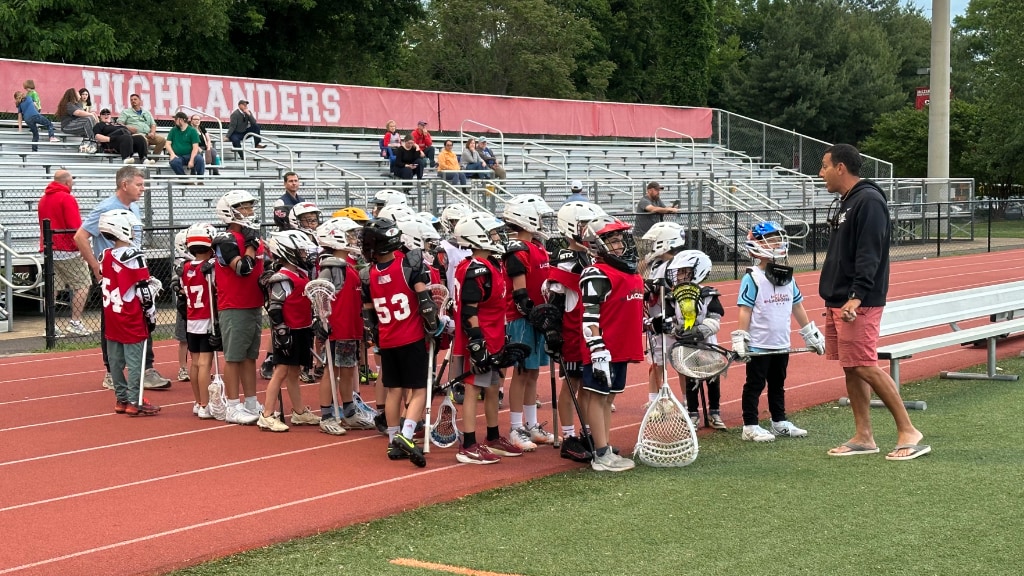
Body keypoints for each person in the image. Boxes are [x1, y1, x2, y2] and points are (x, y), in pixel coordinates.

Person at [818, 143, 930, 461]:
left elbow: (870, 253)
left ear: (841, 167)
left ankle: (909, 431)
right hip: (839, 298)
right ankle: (864, 436)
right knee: (851, 367)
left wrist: (856, 296)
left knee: (864, 365)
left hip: (858, 300)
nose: (821, 173)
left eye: (825, 166)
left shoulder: (868, 201)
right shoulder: (848, 202)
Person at [73, 166, 171, 391]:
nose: (142, 189)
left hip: (133, 270)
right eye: (139, 184)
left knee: (143, 316)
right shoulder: (106, 208)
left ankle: (146, 369)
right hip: (114, 276)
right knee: (112, 320)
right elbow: (80, 236)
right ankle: (112, 371)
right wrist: (96, 266)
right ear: (124, 185)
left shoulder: (133, 207)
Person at [731, 221, 825, 442]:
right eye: (771, 240)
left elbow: (797, 306)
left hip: (781, 342)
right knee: (755, 385)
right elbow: (745, 309)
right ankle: (750, 425)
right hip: (759, 344)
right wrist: (740, 337)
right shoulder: (752, 277)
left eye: (778, 240)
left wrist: (809, 332)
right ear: (757, 245)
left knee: (778, 384)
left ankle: (779, 421)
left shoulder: (787, 277)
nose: (777, 244)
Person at [360, 217, 436, 467]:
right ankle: (407, 434)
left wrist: (377, 337)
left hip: (387, 339)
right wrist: (435, 325)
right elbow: (425, 302)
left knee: (394, 391)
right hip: (411, 337)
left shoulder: (367, 274)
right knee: (420, 390)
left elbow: (369, 316)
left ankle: (394, 440)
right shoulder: (408, 265)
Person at [452, 212, 523, 464]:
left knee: (493, 386)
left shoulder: (491, 263)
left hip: (493, 336)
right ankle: (469, 444)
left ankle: (493, 437)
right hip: (480, 337)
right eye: (492, 233)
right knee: (473, 388)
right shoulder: (476, 268)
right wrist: (476, 342)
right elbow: (469, 311)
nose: (497, 237)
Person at [579, 217, 644, 471]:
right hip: (603, 349)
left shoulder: (628, 273)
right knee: (598, 396)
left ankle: (605, 446)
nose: (620, 245)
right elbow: (589, 317)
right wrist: (597, 350)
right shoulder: (596, 273)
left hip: (620, 347)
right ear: (597, 245)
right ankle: (600, 453)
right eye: (613, 241)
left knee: (608, 398)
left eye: (619, 240)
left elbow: (629, 310)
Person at [501, 195, 556, 451]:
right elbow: (520, 293)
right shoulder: (517, 250)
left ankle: (532, 425)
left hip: (537, 316)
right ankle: (515, 427)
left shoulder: (537, 247)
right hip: (523, 318)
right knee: (522, 373)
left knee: (533, 373)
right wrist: (533, 313)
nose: (542, 221)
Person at [98, 208, 162, 417]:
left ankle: (121, 398)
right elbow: (143, 291)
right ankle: (135, 400)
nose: (134, 232)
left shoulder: (105, 255)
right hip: (130, 315)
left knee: (115, 361)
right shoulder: (134, 256)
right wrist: (150, 313)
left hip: (112, 315)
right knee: (135, 362)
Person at [316, 217, 376, 435]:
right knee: (331, 371)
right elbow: (319, 295)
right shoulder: (331, 267)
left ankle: (349, 412)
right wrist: (321, 321)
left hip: (350, 328)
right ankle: (326, 415)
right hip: (337, 328)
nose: (353, 239)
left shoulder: (348, 265)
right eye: (349, 234)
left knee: (349, 370)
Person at [258, 230, 322, 432]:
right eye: (300, 251)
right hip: (289, 331)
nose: (304, 254)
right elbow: (275, 308)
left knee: (294, 372)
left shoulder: (300, 273)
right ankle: (267, 415)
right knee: (281, 371)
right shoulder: (282, 278)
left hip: (302, 329)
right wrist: (282, 332)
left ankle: (299, 411)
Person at [212, 190, 265, 425]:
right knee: (234, 358)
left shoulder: (251, 237)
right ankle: (232, 406)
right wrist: (251, 246)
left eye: (250, 206)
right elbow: (243, 269)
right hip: (235, 305)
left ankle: (251, 402)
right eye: (244, 207)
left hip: (253, 303)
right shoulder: (226, 240)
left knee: (249, 357)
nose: (250, 211)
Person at [666, 249, 727, 429]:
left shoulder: (708, 294)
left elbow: (714, 320)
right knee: (691, 379)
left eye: (683, 271)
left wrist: (698, 331)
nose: (678, 275)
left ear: (697, 271)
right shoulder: (673, 296)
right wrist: (674, 329)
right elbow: (669, 319)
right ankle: (693, 413)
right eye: (678, 271)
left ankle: (714, 412)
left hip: (707, 345)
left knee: (712, 378)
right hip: (686, 346)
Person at [639, 221, 687, 411]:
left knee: (680, 364)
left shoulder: (677, 265)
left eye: (655, 241)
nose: (652, 246)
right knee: (657, 363)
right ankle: (655, 400)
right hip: (657, 320)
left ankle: (687, 402)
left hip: (671, 320)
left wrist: (658, 288)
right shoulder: (657, 264)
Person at [37, 170, 92, 337]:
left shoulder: (44, 199)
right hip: (67, 249)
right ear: (67, 182)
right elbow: (75, 226)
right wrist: (82, 247)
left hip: (50, 248)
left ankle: (51, 325)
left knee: (53, 287)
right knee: (83, 283)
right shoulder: (67, 198)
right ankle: (75, 322)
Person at [179, 223, 219, 419]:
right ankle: (205, 404)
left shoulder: (186, 267)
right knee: (204, 364)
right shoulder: (211, 268)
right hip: (206, 319)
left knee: (195, 363)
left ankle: (198, 402)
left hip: (192, 319)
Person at [171, 229, 192, 382]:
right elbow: (175, 283)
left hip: (200, 305)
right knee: (184, 339)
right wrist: (182, 290)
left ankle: (201, 366)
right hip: (185, 305)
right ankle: (183, 368)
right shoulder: (180, 263)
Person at [165, 111, 205, 177]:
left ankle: (200, 179)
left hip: (190, 155)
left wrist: (191, 160)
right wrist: (172, 154)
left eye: (176, 119)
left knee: (199, 159)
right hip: (178, 156)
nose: (175, 121)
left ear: (181, 120)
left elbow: (195, 147)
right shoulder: (173, 130)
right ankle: (184, 179)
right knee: (174, 162)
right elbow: (167, 144)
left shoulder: (192, 131)